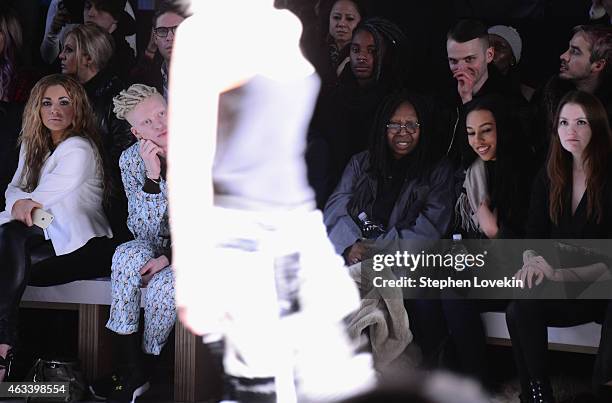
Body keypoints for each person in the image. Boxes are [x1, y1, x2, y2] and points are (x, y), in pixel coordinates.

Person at [168, 1, 375, 401]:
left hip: (299, 225)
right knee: (261, 383)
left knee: (331, 377)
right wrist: (191, 270)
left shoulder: (286, 25)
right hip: (240, 231)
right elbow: (189, 157)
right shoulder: (203, 34)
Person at [0, 74, 113, 382]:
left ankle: (4, 346)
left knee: (8, 240)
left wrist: (22, 204)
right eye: (47, 103)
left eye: (65, 102)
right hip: (44, 232)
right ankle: (6, 348)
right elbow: (13, 191)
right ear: (37, 108)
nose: (56, 110)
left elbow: (36, 199)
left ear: (77, 108)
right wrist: (20, 204)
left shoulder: (80, 149)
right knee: (9, 241)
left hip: (84, 243)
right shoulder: (32, 144)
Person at [506, 91, 612, 402]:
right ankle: (539, 395)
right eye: (564, 122)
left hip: (600, 289)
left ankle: (553, 393)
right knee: (519, 302)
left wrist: (555, 274)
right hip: (561, 285)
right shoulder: (551, 175)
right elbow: (533, 235)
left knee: (519, 307)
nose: (571, 131)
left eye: (581, 122)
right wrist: (531, 262)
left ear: (597, 127)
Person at [437, 95, 534, 387]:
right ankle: (439, 375)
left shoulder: (525, 171)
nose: (478, 140)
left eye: (486, 130)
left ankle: (479, 383)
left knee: (452, 291)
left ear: (501, 129)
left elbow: (532, 246)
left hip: (520, 270)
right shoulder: (473, 171)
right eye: (470, 133)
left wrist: (494, 231)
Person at [87, 84, 173, 402]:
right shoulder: (132, 160)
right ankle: (131, 368)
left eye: (162, 113)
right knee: (125, 254)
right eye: (148, 122)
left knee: (165, 286)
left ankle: (144, 368)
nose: (160, 124)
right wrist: (152, 178)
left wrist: (170, 258)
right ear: (136, 132)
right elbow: (141, 228)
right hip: (154, 241)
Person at [323, 91, 454, 263]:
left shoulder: (438, 171)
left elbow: (430, 229)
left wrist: (377, 252)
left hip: (402, 268)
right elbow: (335, 209)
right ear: (383, 126)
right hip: (355, 259)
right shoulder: (361, 162)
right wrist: (351, 245)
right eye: (394, 125)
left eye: (411, 124)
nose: (403, 132)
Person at [307, 17, 410, 209]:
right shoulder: (334, 95)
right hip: (329, 193)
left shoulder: (394, 101)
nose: (361, 57)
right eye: (356, 50)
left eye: (371, 51)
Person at [59, 23, 134, 241]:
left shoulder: (118, 96)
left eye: (69, 50)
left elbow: (122, 156)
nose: (61, 56)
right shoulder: (64, 95)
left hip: (104, 200)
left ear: (88, 58)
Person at [440, 19, 528, 166]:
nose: (461, 68)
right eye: (454, 61)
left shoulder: (509, 102)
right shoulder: (443, 96)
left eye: (469, 59)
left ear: (489, 55)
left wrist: (467, 102)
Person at [530, 25, 612, 166]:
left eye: (575, 52)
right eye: (568, 49)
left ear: (598, 65)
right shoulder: (548, 95)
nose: (563, 56)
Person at [41, 0, 137, 81]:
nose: (90, 13)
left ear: (116, 17)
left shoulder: (123, 55)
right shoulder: (75, 41)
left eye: (101, 8)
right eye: (88, 6)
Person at [129, 1, 188, 99]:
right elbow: (134, 89)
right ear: (155, 37)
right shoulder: (154, 75)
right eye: (162, 31)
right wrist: (150, 49)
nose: (169, 37)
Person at [303, 0, 364, 88]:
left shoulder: (364, 56)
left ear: (361, 21)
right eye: (336, 17)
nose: (341, 24)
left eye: (350, 18)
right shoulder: (313, 52)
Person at [487, 24, 535, 101]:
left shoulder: (526, 96)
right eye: (486, 45)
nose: (490, 52)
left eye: (499, 47)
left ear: (512, 59)